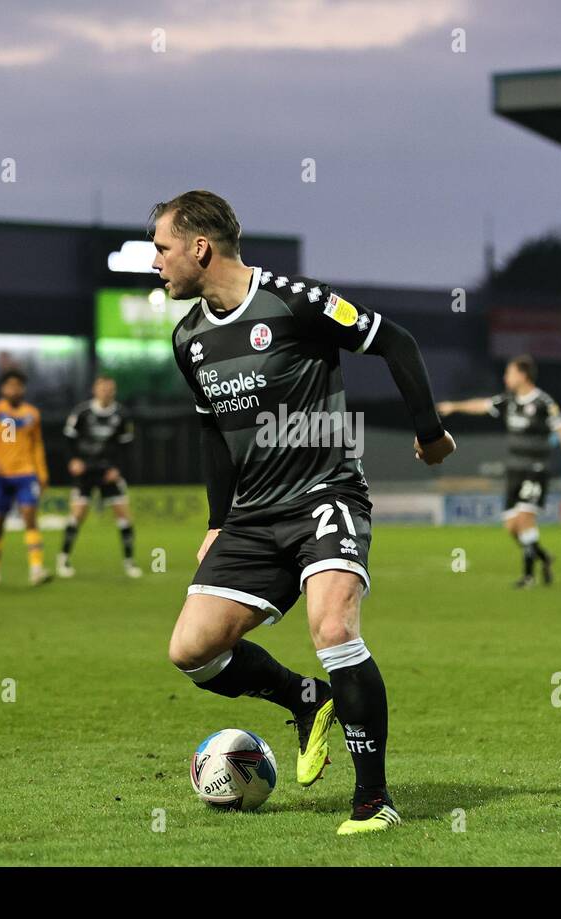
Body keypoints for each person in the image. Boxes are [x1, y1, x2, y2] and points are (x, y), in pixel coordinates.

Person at [151, 189, 455, 834]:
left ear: (198, 247)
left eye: (162, 248)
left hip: (326, 496)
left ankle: (373, 801)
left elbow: (395, 342)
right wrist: (216, 520)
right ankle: (304, 698)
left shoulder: (295, 301)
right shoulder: (190, 339)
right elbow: (213, 435)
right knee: (192, 651)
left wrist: (429, 433)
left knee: (334, 630)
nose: (157, 262)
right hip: (254, 518)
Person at [438, 355, 561, 587]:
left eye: (510, 372)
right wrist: (454, 406)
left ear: (523, 375)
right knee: (511, 526)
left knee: (525, 518)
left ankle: (528, 577)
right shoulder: (509, 400)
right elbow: (482, 405)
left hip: (535, 469)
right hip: (514, 469)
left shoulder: (543, 403)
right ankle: (544, 558)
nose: (506, 377)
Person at [58, 376, 142, 578]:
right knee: (77, 514)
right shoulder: (82, 413)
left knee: (123, 515)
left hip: (108, 472)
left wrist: (118, 469)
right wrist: (74, 460)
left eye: (110, 389)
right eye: (102, 388)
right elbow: (68, 440)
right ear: (94, 390)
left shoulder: (122, 415)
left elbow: (127, 446)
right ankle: (63, 559)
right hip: (86, 471)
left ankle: (129, 563)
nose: (106, 392)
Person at [0, 370, 51, 586]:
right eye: (10, 386)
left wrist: (42, 473)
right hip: (0, 476)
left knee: (29, 515)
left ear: (23, 389)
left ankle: (36, 569)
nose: (14, 390)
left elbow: (37, 445)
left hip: (26, 474)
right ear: (3, 389)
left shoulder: (32, 414)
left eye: (18, 386)